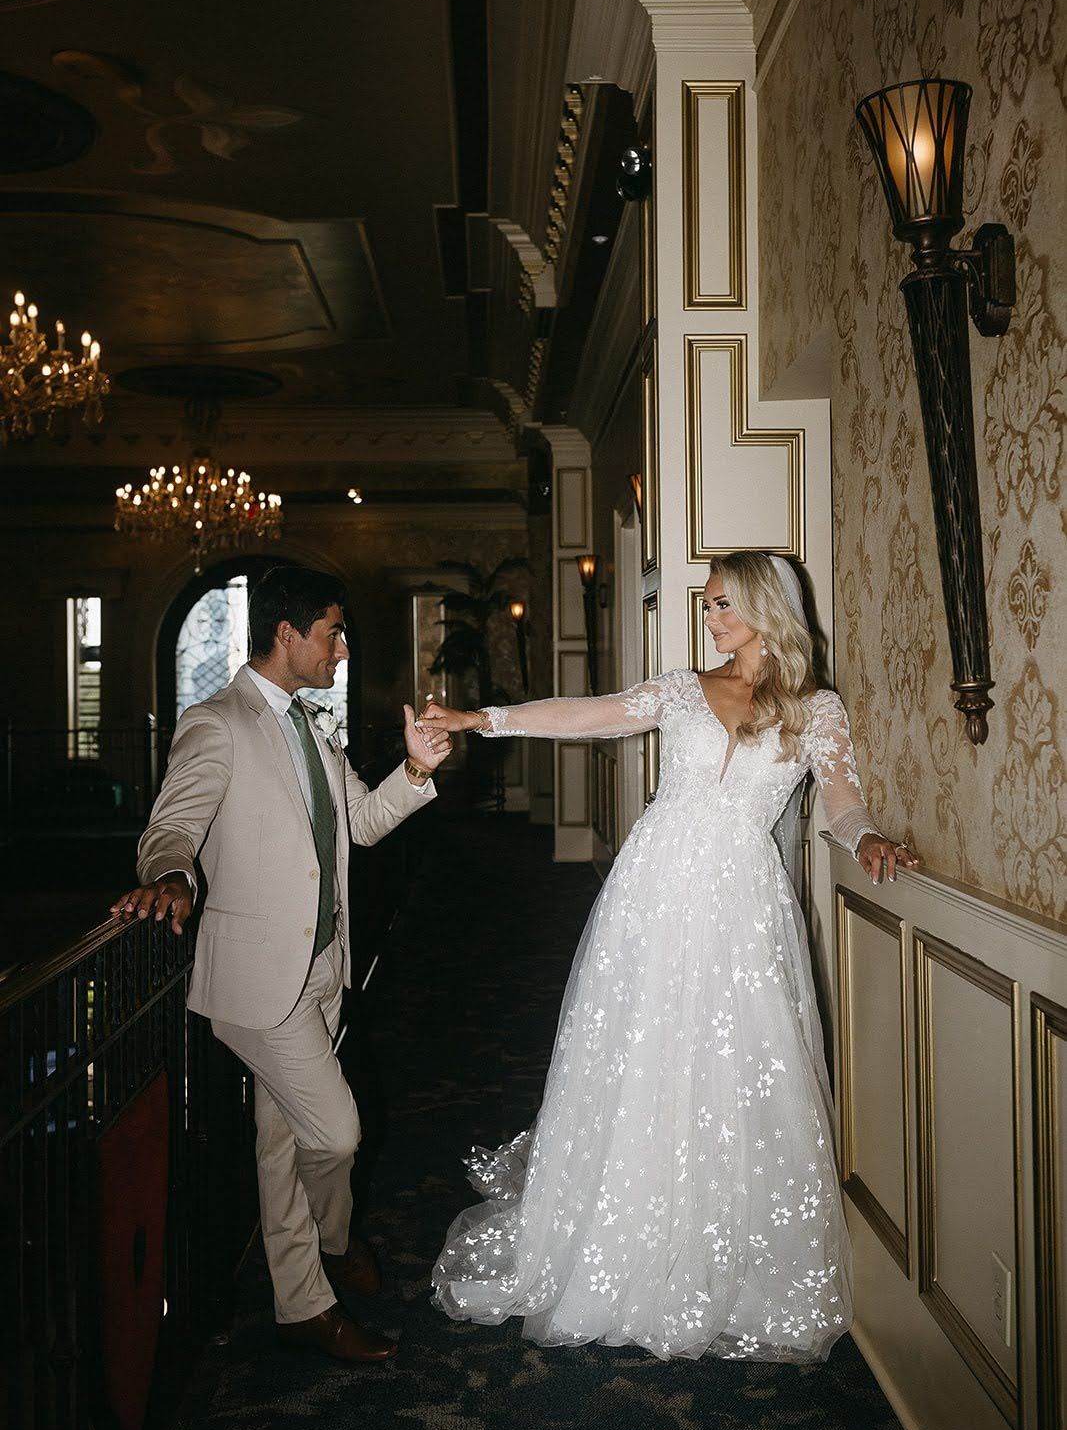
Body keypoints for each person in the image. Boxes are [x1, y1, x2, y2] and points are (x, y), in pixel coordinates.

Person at [419, 550, 918, 1362]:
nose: (711, 620)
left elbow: (841, 802)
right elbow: (590, 714)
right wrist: (486, 720)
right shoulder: (684, 688)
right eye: (709, 605)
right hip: (651, 890)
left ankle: (722, 1241)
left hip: (743, 901)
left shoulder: (816, 707)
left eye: (723, 604)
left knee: (737, 1060)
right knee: (640, 1046)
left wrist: (867, 841)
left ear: (763, 607)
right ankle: (619, 1218)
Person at [110, 566, 452, 1364]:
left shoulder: (310, 725)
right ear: (288, 633)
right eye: (332, 631)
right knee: (333, 1134)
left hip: (322, 969)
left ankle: (301, 1306)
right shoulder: (217, 722)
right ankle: (331, 1245)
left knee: (281, 1143)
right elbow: (172, 828)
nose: (341, 646)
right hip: (260, 982)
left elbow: (363, 825)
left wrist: (417, 771)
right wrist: (170, 876)